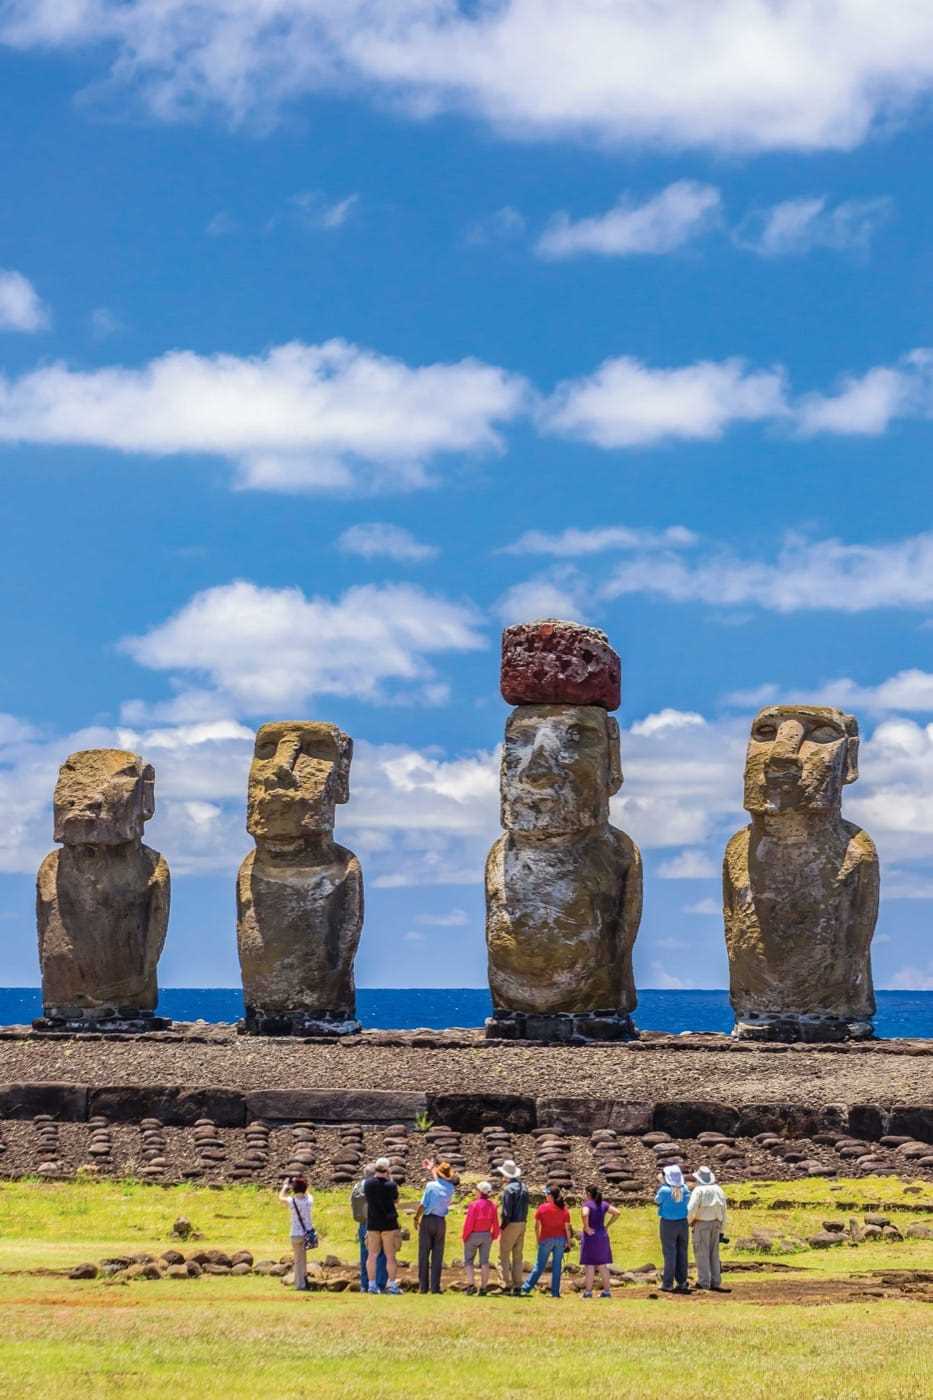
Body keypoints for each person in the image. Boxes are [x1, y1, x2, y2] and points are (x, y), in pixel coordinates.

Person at [521, 1185, 573, 1298]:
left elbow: (536, 1227)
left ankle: (526, 1288)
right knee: (557, 1266)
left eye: (546, 1194)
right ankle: (555, 1293)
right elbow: (567, 1228)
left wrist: (538, 1240)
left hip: (546, 1239)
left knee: (539, 1266)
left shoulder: (542, 1208)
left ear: (550, 1196)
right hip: (560, 1240)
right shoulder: (564, 1210)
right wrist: (568, 1242)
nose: (545, 1196)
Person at [688, 1167, 731, 1293]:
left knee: (702, 1253)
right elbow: (724, 1210)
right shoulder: (718, 1190)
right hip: (716, 1224)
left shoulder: (698, 1190)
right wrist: (722, 1229)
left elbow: (691, 1208)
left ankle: (704, 1282)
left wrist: (689, 1222)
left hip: (701, 1224)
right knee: (714, 1254)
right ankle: (715, 1281)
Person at [414, 1161, 455, 1294]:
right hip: (441, 1221)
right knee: (438, 1255)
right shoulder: (450, 1188)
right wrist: (432, 1168)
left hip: (428, 1219)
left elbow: (423, 1204)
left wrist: (416, 1217)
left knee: (423, 1254)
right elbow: (440, 1182)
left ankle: (423, 1286)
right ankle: (435, 1287)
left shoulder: (430, 1186)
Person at [364, 1157, 402, 1295]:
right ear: (387, 1169)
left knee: (372, 1255)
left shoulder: (367, 1184)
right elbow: (396, 1200)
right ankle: (392, 1284)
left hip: (373, 1223)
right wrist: (390, 1178)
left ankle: (372, 1285)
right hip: (389, 1224)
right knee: (390, 1256)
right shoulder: (391, 1185)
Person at [351, 1163, 387, 1294]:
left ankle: (364, 1285)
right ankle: (379, 1284)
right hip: (376, 1224)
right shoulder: (376, 1186)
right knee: (380, 1255)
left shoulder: (357, 1186)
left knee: (364, 1255)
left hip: (362, 1224)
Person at [656, 1164, 691, 1293]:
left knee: (670, 1253)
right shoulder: (685, 1189)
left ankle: (668, 1283)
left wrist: (661, 1184)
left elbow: (658, 1200)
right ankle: (682, 1281)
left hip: (668, 1223)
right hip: (682, 1223)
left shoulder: (664, 1190)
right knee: (682, 1252)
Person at [496, 1159, 529, 1295]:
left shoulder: (508, 1190)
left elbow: (507, 1212)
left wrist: (502, 1227)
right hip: (522, 1222)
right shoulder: (524, 1187)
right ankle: (517, 1284)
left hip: (512, 1223)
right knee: (517, 1255)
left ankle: (505, 1284)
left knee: (503, 1255)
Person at [461, 1181, 500, 1295]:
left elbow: (469, 1222)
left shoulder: (474, 1205)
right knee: (484, 1262)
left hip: (473, 1234)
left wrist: (465, 1235)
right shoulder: (492, 1205)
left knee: (468, 1261)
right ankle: (483, 1287)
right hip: (486, 1235)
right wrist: (494, 1235)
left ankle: (471, 1285)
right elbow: (496, 1223)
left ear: (479, 1192)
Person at [579, 1185, 619, 1298]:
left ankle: (588, 1292)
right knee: (602, 1265)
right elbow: (617, 1212)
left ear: (588, 1194)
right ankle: (607, 1291)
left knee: (590, 1265)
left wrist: (586, 1227)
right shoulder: (604, 1204)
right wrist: (607, 1225)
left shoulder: (587, 1204)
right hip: (602, 1236)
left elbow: (585, 1213)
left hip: (591, 1237)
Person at [279, 1175, 314, 1292]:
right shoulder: (309, 1201)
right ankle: (304, 1280)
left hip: (295, 1233)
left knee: (298, 1259)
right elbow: (308, 1193)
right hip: (307, 1234)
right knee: (303, 1258)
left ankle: (300, 1284)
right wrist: (304, 1185)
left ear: (294, 1189)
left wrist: (285, 1186)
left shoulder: (291, 1201)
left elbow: (280, 1197)